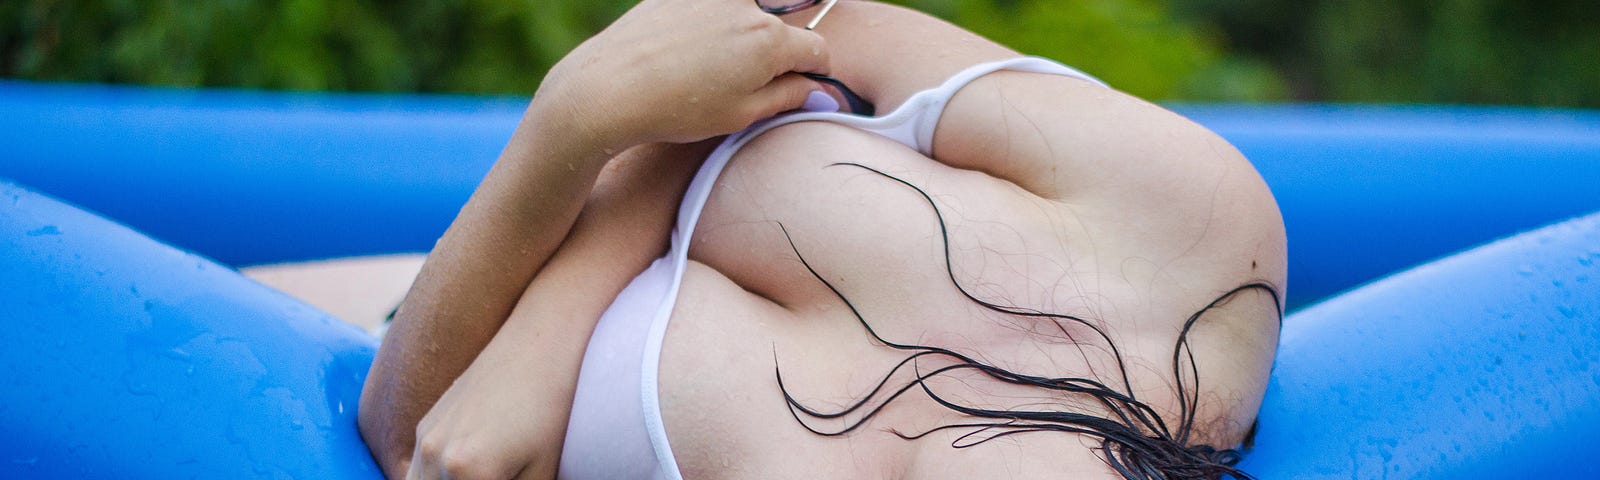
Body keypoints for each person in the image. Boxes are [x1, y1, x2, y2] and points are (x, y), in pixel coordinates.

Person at [355, 0, 1287, 479]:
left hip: (395, 309)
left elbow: (423, 441)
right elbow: (779, 33)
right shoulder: (1191, 235)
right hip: (483, 259)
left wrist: (571, 125)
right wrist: (538, 336)